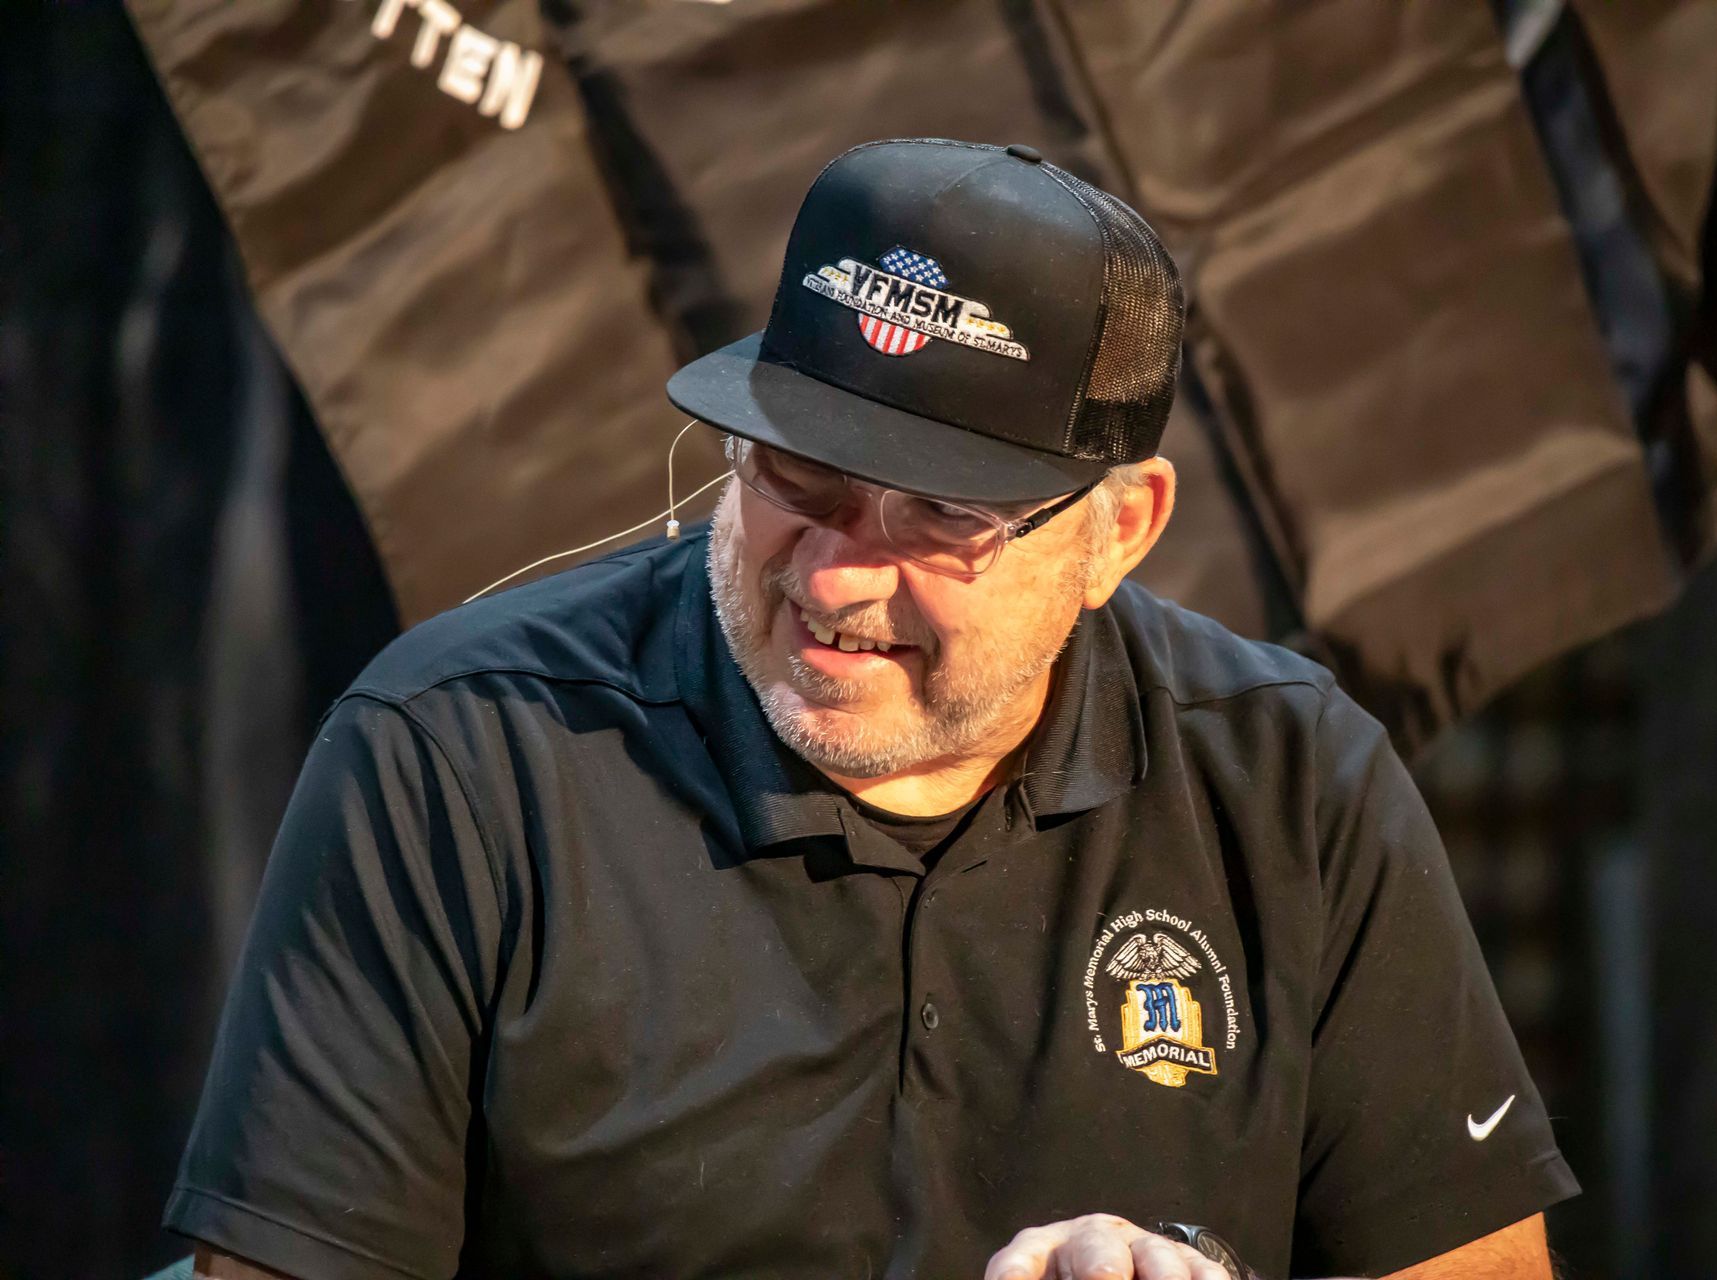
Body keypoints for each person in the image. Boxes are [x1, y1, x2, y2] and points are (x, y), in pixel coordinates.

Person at [166, 138, 1577, 1280]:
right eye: (800, 480)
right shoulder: (466, 750)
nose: (837, 572)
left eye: (942, 517)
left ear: (1120, 530)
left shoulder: (1290, 778)